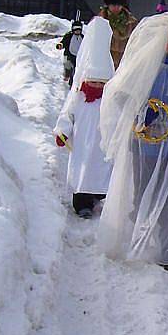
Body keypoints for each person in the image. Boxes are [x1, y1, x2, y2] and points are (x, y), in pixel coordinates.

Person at [98, 11, 168, 272]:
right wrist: (143, 111)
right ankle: (138, 236)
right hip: (146, 145)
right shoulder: (149, 68)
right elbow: (121, 95)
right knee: (141, 193)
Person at [53, 16, 115, 218]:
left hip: (102, 143)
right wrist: (62, 131)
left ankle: (98, 195)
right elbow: (67, 115)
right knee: (83, 172)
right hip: (82, 143)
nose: (97, 87)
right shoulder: (78, 97)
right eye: (94, 82)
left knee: (102, 169)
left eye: (101, 84)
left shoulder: (111, 100)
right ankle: (81, 202)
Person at [100, 0, 139, 70]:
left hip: (124, 65)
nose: (116, 8)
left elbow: (136, 43)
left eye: (119, 5)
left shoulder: (132, 22)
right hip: (104, 65)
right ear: (108, 4)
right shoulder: (100, 21)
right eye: (113, 5)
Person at [55, 19, 83, 86]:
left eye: (79, 30)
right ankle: (67, 74)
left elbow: (86, 45)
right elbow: (63, 42)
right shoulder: (69, 36)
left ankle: (73, 82)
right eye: (76, 30)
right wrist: (60, 45)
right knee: (68, 65)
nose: (77, 31)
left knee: (77, 69)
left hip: (78, 56)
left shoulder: (82, 37)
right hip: (69, 55)